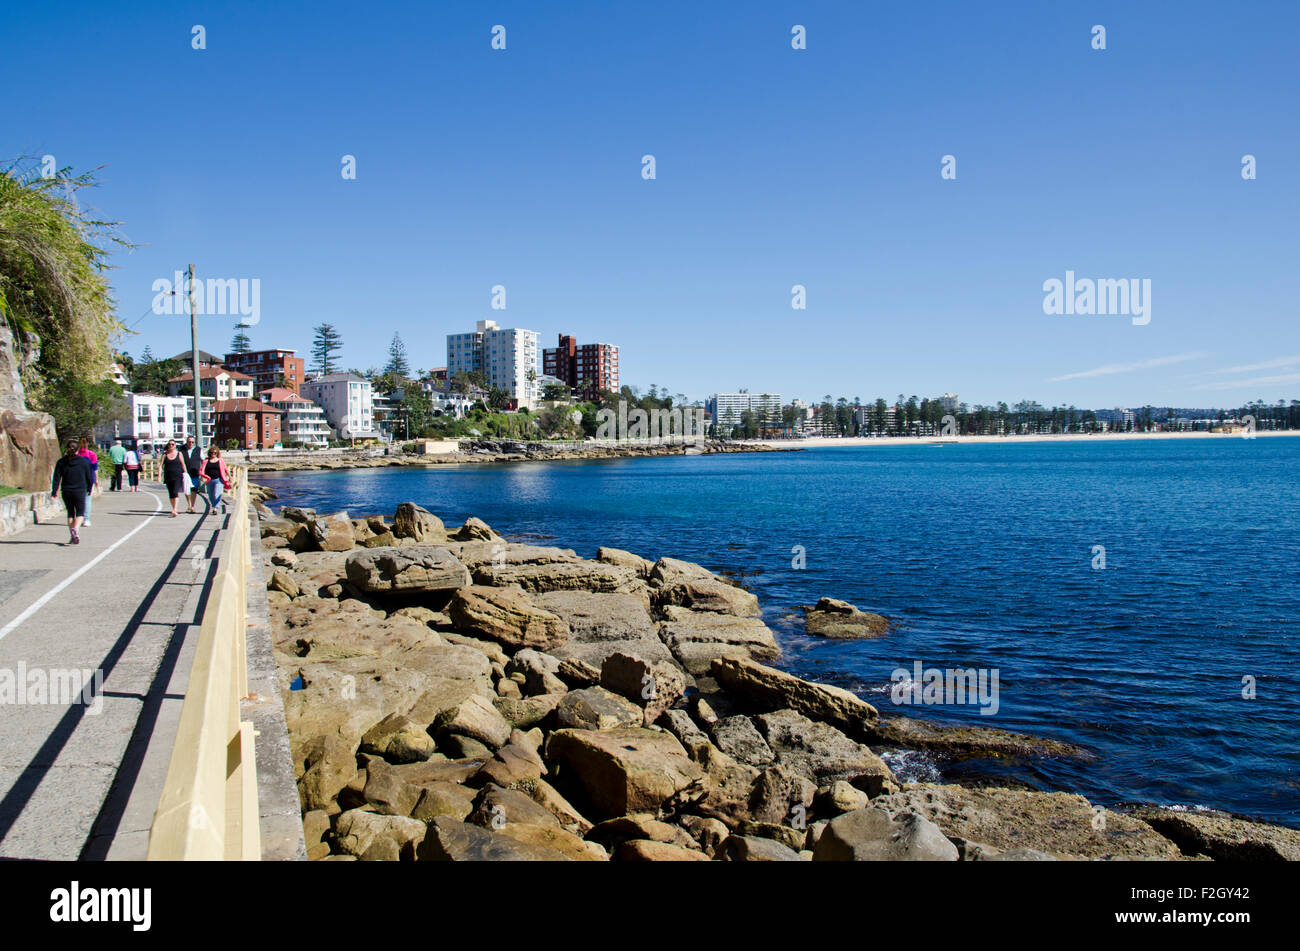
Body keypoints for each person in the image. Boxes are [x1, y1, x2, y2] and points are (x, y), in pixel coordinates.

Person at [51, 441, 94, 544]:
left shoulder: (61, 462)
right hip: (79, 490)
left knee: (70, 513)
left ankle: (72, 534)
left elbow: (56, 479)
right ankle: (75, 530)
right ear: (78, 450)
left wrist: (54, 493)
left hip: (66, 490)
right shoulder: (84, 461)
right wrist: (89, 488)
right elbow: (89, 477)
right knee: (80, 513)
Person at [199, 445, 232, 514]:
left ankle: (215, 508)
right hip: (209, 480)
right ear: (209, 453)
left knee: (216, 494)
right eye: (211, 453)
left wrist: (229, 476)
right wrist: (202, 477)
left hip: (218, 480)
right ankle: (214, 505)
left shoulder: (220, 460)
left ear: (217, 453)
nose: (213, 454)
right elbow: (202, 470)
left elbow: (225, 469)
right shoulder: (206, 461)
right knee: (211, 495)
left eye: (215, 453)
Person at [76, 437, 98, 527]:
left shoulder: (76, 454)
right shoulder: (91, 454)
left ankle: (77, 517)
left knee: (77, 500)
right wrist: (96, 480)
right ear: (87, 444)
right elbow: (95, 468)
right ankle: (86, 519)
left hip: (77, 479)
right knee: (87, 499)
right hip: (89, 479)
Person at [162, 439, 186, 517]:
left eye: (172, 444)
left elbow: (183, 464)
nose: (171, 446)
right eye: (169, 444)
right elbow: (160, 465)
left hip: (177, 476)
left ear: (175, 445)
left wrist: (185, 473)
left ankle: (175, 509)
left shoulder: (179, 454)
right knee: (171, 493)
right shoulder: (165, 454)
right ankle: (174, 508)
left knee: (175, 492)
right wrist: (159, 475)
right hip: (168, 476)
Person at [181, 435, 203, 514]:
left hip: (195, 472)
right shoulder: (181, 449)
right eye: (189, 442)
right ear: (186, 442)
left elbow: (203, 460)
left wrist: (202, 471)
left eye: (192, 442)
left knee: (194, 490)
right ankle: (189, 505)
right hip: (185, 473)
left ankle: (192, 506)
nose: (191, 443)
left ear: (194, 442)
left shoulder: (198, 450)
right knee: (187, 489)